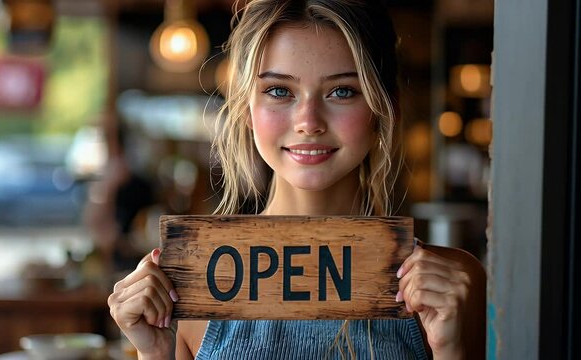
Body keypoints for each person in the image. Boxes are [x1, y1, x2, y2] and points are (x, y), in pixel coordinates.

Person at [108, 0, 486, 359]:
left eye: (342, 91)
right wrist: (154, 353)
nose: (309, 122)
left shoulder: (448, 287)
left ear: (385, 109)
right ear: (245, 109)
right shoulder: (189, 280)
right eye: (279, 91)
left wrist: (449, 351)